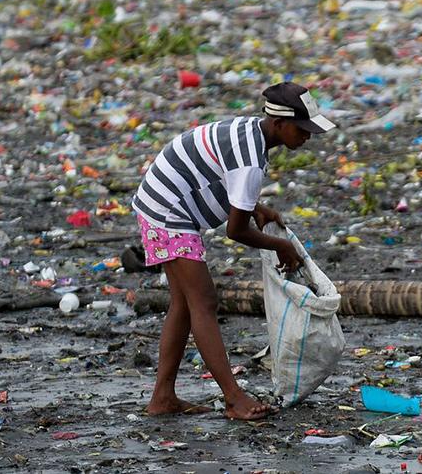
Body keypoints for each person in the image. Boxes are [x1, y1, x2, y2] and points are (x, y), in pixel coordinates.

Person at [132, 82, 335, 420]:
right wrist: (281, 246)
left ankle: (162, 398)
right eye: (303, 128)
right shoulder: (251, 161)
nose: (308, 136)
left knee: (184, 303)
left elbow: (222, 175)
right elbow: (236, 231)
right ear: (280, 123)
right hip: (167, 212)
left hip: (162, 200)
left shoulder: (251, 131)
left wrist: (255, 206)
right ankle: (233, 398)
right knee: (204, 302)